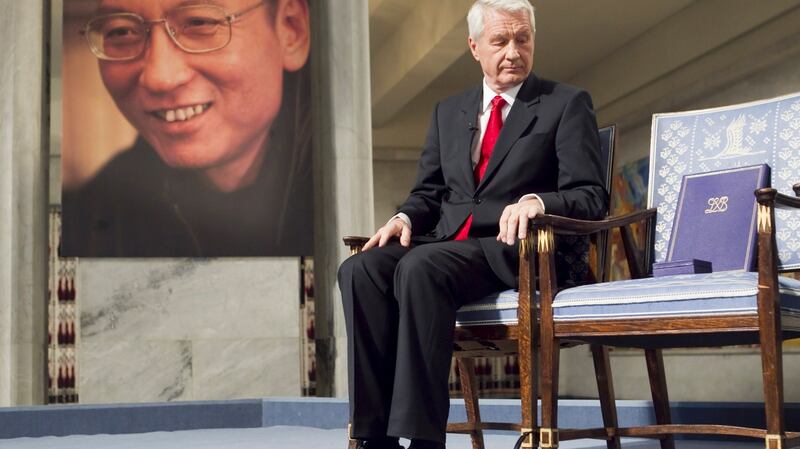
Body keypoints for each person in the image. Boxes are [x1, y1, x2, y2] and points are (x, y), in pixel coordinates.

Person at [338, 0, 608, 447]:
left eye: (523, 39)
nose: (513, 52)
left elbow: (590, 196)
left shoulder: (565, 103)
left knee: (421, 267)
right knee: (359, 269)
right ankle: (374, 437)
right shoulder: (448, 111)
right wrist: (403, 217)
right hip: (447, 242)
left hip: (514, 251)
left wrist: (538, 201)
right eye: (500, 41)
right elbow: (428, 192)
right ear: (474, 47)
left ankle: (423, 438)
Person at [61, 0, 312, 257]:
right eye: (121, 31)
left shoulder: (348, 190)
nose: (159, 77)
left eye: (199, 23)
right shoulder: (96, 216)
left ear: (291, 29)